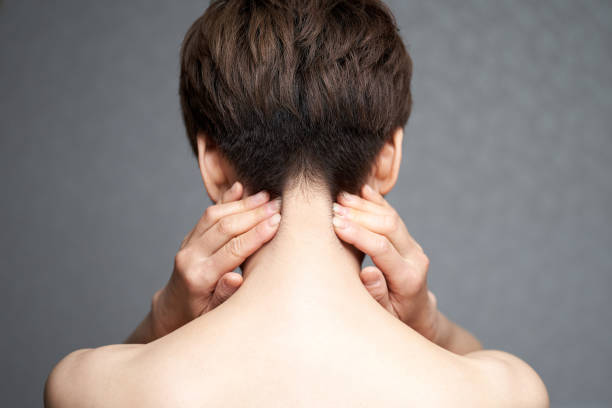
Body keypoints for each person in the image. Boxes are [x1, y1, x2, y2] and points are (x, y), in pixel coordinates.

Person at [44, 0, 549, 406]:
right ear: (387, 158)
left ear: (212, 163)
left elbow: (114, 376)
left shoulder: (86, 388)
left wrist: (159, 324)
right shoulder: (503, 392)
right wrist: (434, 330)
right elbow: (485, 371)